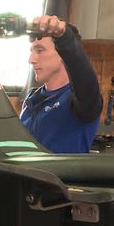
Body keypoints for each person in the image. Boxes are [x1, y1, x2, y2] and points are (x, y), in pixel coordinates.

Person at [20, 15, 103, 153]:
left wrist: (63, 36)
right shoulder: (32, 99)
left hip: (60, 175)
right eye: (32, 51)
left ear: (62, 53)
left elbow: (84, 77)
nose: (31, 59)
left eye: (40, 50)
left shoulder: (82, 101)